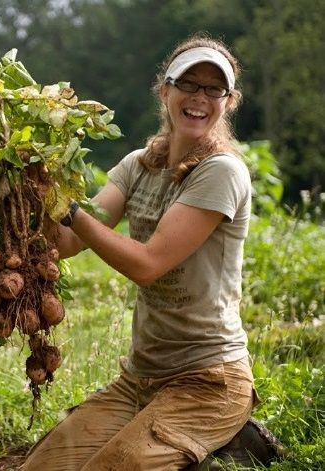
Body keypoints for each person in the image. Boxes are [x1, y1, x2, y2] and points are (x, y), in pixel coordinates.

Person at [22, 34, 257, 470]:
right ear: (164, 90)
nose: (199, 98)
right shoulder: (139, 164)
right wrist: (23, 190)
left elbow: (147, 266)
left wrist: (68, 209)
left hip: (208, 382)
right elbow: (70, 242)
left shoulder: (222, 171)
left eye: (213, 89)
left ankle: (224, 442)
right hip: (141, 380)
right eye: (188, 84)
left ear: (229, 101)